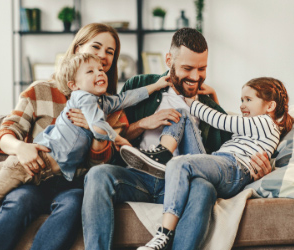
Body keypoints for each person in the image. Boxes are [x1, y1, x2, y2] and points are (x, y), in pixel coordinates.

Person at [82, 28, 272, 250]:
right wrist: (143, 123)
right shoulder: (140, 85)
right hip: (139, 177)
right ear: (169, 60)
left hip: (184, 183)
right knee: (97, 174)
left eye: (202, 69)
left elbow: (228, 158)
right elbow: (114, 138)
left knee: (204, 187)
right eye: (187, 68)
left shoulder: (208, 105)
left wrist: (258, 169)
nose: (195, 77)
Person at [122, 76, 294, 250]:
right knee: (180, 114)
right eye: (241, 100)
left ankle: (164, 234)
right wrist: (213, 96)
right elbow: (227, 127)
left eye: (248, 100)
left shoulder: (265, 122)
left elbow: (222, 121)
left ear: (270, 106)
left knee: (179, 163)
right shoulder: (255, 127)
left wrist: (190, 101)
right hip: (222, 163)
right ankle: (162, 153)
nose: (242, 105)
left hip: (234, 167)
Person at [0, 23, 125, 250]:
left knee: (74, 203)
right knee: (20, 201)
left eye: (110, 52)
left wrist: (96, 130)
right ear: (77, 48)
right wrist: (20, 148)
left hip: (73, 184)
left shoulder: (109, 107)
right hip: (34, 178)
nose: (103, 56)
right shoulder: (40, 89)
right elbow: (7, 132)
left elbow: (99, 165)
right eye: (96, 46)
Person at [0, 53, 169, 205]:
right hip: (34, 162)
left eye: (101, 69)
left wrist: (156, 86)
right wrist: (121, 140)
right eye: (90, 71)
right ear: (74, 86)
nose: (100, 73)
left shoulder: (102, 101)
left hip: (43, 170)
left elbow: (127, 97)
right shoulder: (84, 98)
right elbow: (98, 127)